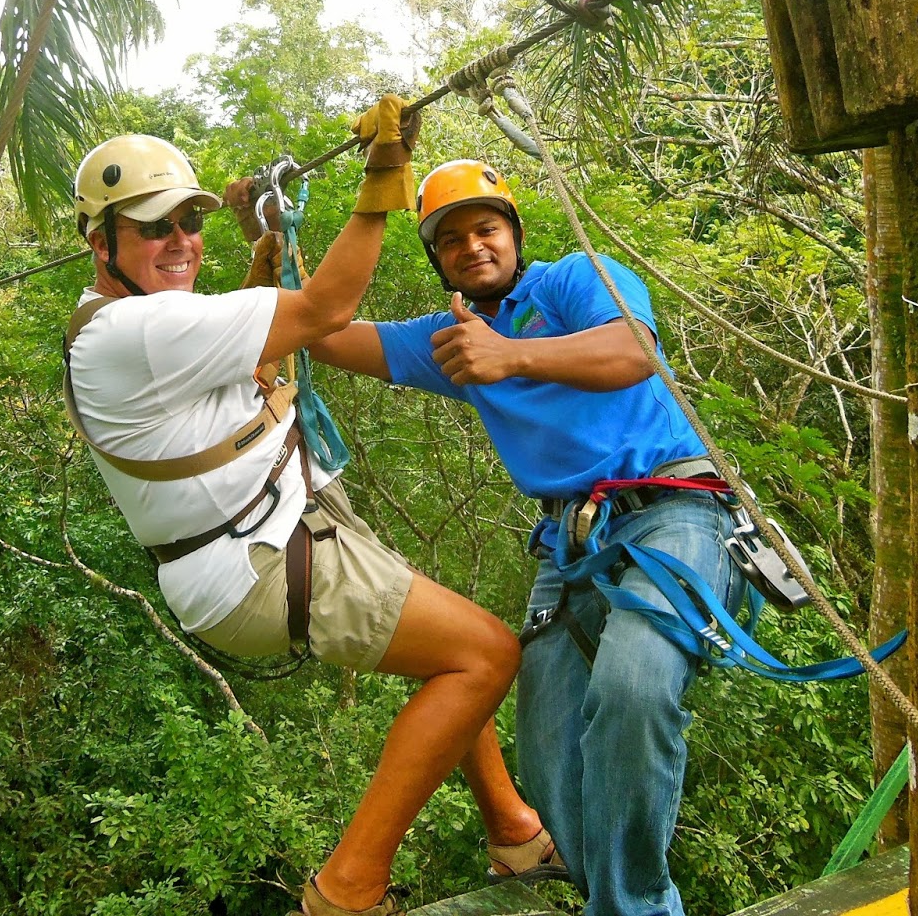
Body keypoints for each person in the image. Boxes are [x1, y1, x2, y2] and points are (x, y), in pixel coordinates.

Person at [63, 114, 554, 916]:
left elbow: (247, 348)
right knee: (484, 657)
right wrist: (381, 182)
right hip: (264, 554)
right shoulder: (137, 329)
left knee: (451, 647)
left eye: (189, 220)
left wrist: (262, 247)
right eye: (154, 229)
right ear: (100, 240)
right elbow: (326, 308)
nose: (181, 240)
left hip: (269, 536)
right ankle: (348, 889)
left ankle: (514, 831)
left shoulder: (123, 324)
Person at [309, 159, 745, 916]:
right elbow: (323, 334)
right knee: (548, 761)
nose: (473, 247)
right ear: (437, 259)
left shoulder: (574, 279)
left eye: (486, 228)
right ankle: (612, 896)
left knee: (636, 687)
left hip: (675, 506)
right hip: (571, 543)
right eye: (451, 240)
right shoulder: (451, 340)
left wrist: (508, 356)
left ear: (513, 233)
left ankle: (637, 909)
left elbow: (634, 350)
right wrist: (298, 229)